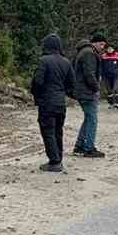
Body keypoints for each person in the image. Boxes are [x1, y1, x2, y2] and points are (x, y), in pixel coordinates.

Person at [29, 33, 76, 173]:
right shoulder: (66, 62)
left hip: (47, 101)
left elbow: (37, 81)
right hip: (60, 102)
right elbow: (72, 84)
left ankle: (54, 161)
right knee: (58, 131)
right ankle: (58, 158)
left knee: (48, 131)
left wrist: (37, 96)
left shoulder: (44, 61)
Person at [72, 32, 106, 158]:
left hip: (82, 91)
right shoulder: (89, 53)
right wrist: (96, 88)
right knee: (92, 119)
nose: (102, 47)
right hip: (87, 92)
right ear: (95, 43)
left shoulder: (83, 52)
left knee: (88, 118)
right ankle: (88, 148)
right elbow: (89, 74)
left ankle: (80, 146)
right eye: (101, 44)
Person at [101, 43, 118, 109]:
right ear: (106, 49)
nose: (110, 50)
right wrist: (101, 75)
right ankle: (111, 103)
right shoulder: (103, 56)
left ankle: (117, 103)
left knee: (116, 89)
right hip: (106, 76)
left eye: (111, 48)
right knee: (109, 91)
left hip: (116, 76)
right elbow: (101, 67)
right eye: (108, 48)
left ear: (113, 49)